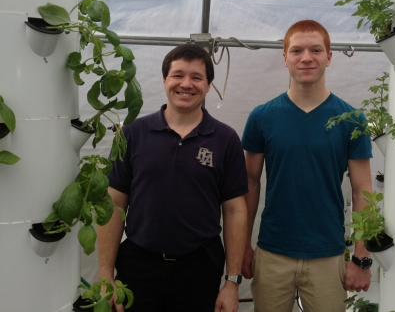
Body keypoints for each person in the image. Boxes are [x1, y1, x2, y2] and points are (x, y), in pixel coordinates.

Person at [97, 44, 248, 312]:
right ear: (165, 80)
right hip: (139, 266)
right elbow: (114, 205)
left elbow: (235, 210)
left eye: (197, 77)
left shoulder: (225, 139)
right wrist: (105, 273)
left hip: (199, 267)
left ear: (208, 85)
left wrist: (232, 282)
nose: (186, 84)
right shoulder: (133, 134)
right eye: (178, 75)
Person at [241, 20, 374, 312]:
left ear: (329, 56)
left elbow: (364, 190)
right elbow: (249, 183)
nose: (306, 58)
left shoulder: (352, 119)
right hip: (273, 252)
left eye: (316, 50)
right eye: (297, 50)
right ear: (285, 57)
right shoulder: (262, 117)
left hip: (327, 254)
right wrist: (243, 247)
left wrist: (361, 257)